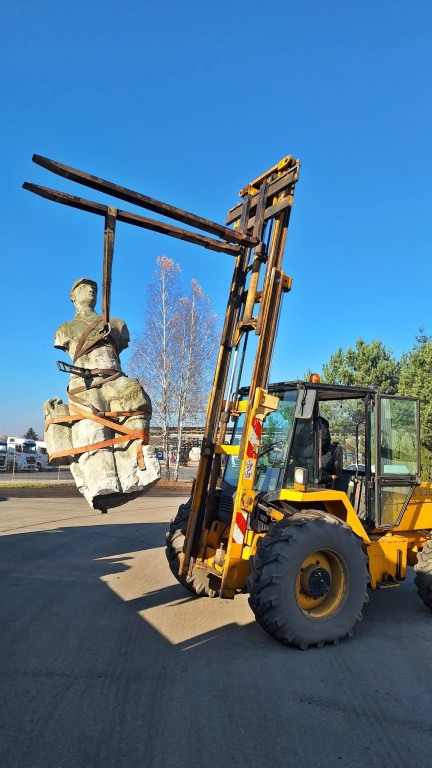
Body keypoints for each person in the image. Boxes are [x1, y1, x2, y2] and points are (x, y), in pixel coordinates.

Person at [45, 278, 158, 510]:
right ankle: (102, 479)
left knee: (135, 391)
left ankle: (138, 468)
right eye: (83, 286)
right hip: (83, 382)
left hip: (113, 377)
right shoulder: (65, 328)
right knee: (91, 410)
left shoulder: (115, 324)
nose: (91, 289)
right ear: (73, 296)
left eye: (93, 287)